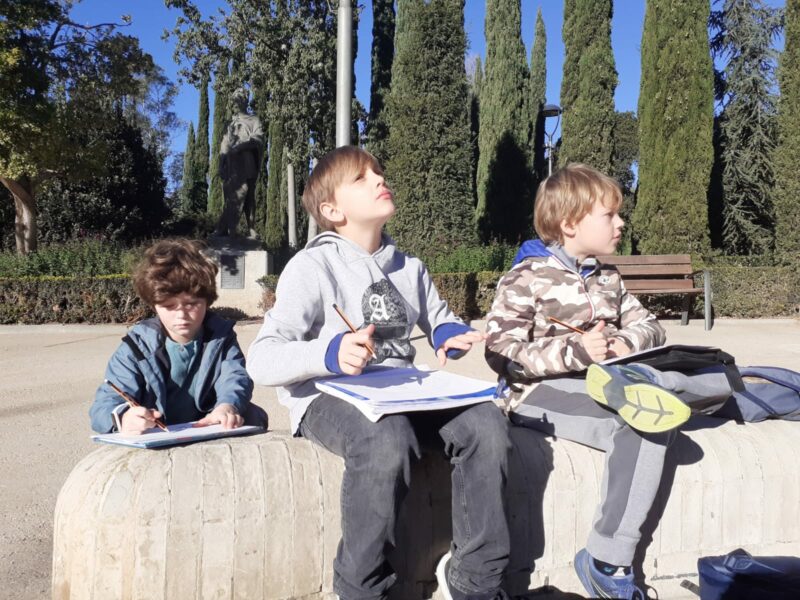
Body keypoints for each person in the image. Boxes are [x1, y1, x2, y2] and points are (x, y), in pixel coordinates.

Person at [246, 146, 511, 600]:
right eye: (361, 178)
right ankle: (361, 589)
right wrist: (330, 353)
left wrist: (448, 333)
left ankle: (475, 582)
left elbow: (439, 317)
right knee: (386, 438)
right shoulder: (311, 267)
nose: (378, 179)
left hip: (404, 393)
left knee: (487, 423)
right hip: (330, 397)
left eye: (378, 172)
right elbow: (263, 358)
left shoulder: (410, 267)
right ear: (332, 210)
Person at [484, 164, 732, 599]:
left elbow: (651, 327)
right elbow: (500, 352)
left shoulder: (607, 277)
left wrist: (619, 343)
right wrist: (575, 352)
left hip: (609, 380)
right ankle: (608, 562)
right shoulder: (527, 277)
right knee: (645, 416)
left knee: (667, 407)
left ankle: (603, 557)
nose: (620, 224)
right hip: (537, 394)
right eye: (610, 215)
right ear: (570, 224)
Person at [90, 239, 258, 434]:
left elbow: (235, 377)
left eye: (191, 304)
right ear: (154, 305)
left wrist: (227, 406)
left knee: (252, 415)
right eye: (169, 306)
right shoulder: (136, 346)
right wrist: (123, 418)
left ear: (207, 300)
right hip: (156, 433)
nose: (181, 315)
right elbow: (104, 405)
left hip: (208, 427)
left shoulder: (221, 336)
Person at [215, 88, 264, 238]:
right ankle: (228, 227)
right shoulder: (230, 123)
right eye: (234, 101)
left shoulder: (254, 120)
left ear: (244, 102)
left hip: (247, 161)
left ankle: (251, 228)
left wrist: (242, 145)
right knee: (231, 195)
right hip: (232, 164)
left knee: (249, 196)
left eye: (238, 101)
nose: (235, 104)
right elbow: (224, 144)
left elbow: (259, 138)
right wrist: (221, 163)